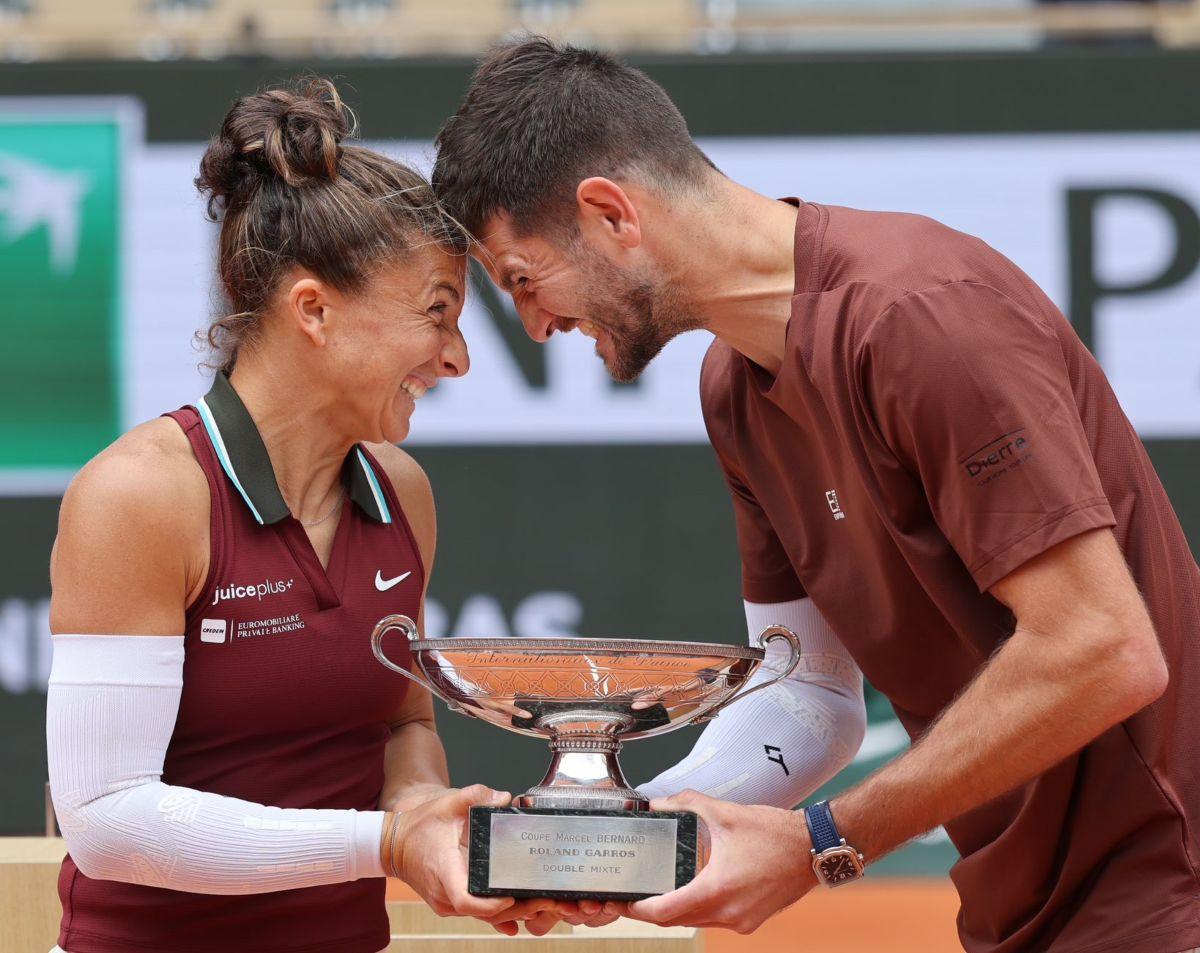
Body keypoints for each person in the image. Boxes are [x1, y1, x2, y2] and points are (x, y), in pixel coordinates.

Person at [430, 38, 1200, 953]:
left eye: (523, 280)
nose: (537, 323)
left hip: (1170, 894)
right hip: (1027, 916)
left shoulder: (920, 316)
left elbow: (1103, 648)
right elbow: (808, 702)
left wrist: (825, 841)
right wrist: (628, 841)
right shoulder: (732, 388)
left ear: (610, 215)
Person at [44, 77, 555, 953]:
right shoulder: (140, 494)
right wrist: (385, 843)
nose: (460, 358)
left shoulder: (404, 491)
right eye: (437, 314)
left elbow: (402, 723)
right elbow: (104, 819)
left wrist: (428, 812)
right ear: (313, 309)